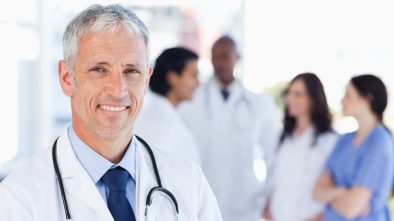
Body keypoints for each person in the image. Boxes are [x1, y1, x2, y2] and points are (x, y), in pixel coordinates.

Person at [0, 4, 223, 221]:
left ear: (146, 79)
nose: (118, 90)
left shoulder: (189, 183)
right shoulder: (18, 199)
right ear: (67, 78)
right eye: (99, 70)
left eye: (132, 71)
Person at [180, 35, 279, 221]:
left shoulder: (259, 104)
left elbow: (272, 155)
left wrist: (267, 196)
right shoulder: (191, 101)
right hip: (203, 200)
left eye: (225, 55)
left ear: (238, 58)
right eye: (214, 56)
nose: (219, 62)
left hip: (245, 204)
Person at [314, 74, 394, 221]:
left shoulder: (380, 144)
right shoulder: (344, 140)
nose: (342, 101)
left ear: (367, 99)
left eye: (348, 95)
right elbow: (316, 192)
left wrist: (330, 193)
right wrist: (343, 192)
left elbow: (350, 209)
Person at [262, 73, 338, 221]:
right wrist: (267, 203)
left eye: (298, 94)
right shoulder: (282, 137)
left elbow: (334, 186)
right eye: (289, 93)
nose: (290, 99)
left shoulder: (330, 141)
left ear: (313, 99)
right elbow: (275, 177)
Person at [134, 47, 201, 165]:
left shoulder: (165, 113)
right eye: (193, 76)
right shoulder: (161, 122)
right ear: (173, 78)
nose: (198, 83)